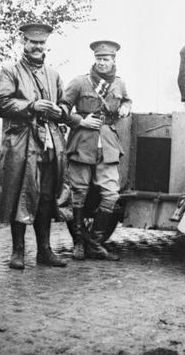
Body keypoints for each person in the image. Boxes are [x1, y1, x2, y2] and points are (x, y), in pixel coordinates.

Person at [0, 22, 71, 270]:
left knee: (47, 197)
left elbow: (65, 105)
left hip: (50, 144)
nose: (37, 47)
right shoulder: (10, 71)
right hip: (22, 143)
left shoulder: (54, 74)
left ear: (46, 45)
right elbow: (1, 104)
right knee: (21, 193)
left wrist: (61, 111)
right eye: (33, 42)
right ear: (24, 43)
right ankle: (18, 252)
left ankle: (45, 251)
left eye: (41, 43)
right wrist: (31, 107)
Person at [60, 40, 132, 262]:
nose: (102, 63)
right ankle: (79, 243)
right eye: (99, 59)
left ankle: (95, 243)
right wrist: (80, 121)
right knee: (78, 193)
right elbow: (61, 108)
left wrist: (126, 107)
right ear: (95, 60)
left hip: (107, 145)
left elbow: (127, 100)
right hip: (82, 143)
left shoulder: (119, 84)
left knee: (111, 194)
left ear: (113, 61)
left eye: (106, 59)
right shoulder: (81, 82)